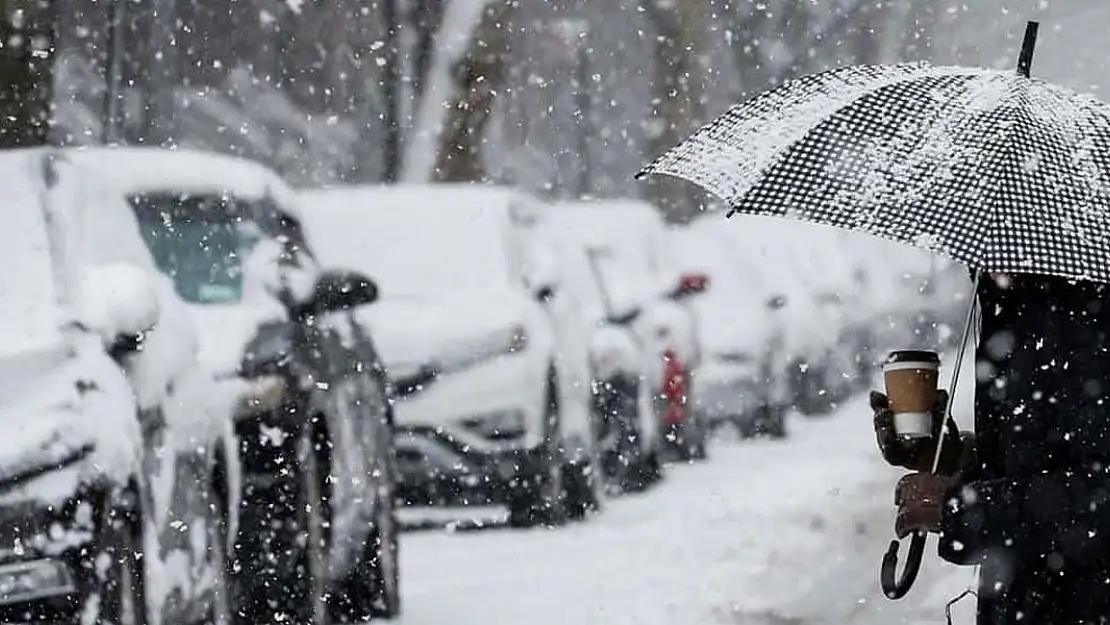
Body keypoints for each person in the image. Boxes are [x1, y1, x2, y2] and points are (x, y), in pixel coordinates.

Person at [872, 272, 1110, 624]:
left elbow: (1097, 500)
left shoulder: (1089, 313)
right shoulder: (1015, 303)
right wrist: (948, 455)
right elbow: (1038, 454)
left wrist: (967, 511)